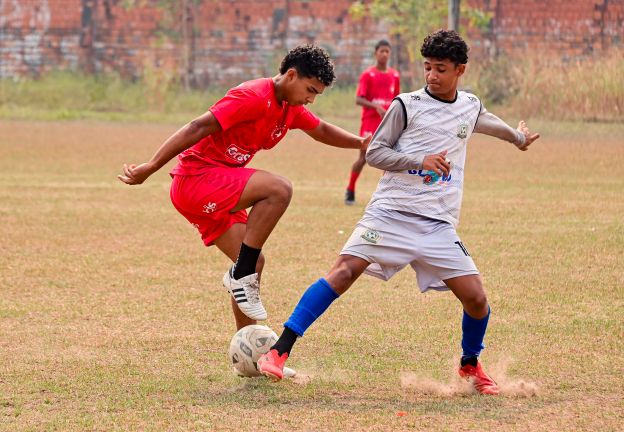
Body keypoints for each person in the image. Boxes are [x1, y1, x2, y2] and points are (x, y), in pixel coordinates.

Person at [257, 30, 540, 395]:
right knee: (343, 272)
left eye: (440, 68)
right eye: (427, 67)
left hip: (437, 224)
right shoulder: (406, 105)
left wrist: (518, 139)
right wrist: (417, 160)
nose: (432, 75)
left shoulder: (469, 106)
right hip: (390, 214)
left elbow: (488, 122)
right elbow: (375, 152)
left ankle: (470, 365)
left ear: (460, 70)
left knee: (477, 298)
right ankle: (278, 352)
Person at [118, 45, 371, 333]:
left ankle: (247, 348)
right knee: (279, 189)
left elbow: (321, 129)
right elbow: (197, 126)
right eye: (310, 90)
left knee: (254, 262)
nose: (311, 99)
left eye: (316, 94)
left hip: (217, 186)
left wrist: (361, 143)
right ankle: (241, 275)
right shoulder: (252, 95)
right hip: (197, 181)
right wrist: (151, 166)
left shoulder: (290, 108)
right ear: (291, 75)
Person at [345, 39, 400, 205]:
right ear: (376, 53)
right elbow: (358, 99)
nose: (384, 54)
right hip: (369, 122)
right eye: (381, 51)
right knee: (363, 158)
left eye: (387, 51)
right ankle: (350, 190)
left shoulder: (394, 75)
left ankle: (385, 196)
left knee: (388, 160)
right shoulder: (368, 75)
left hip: (387, 123)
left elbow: (397, 99)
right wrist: (375, 106)